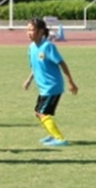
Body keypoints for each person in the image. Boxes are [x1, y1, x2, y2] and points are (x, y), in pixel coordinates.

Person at [23, 18, 78, 147]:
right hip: (44, 88)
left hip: (52, 86)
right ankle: (52, 134)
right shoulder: (31, 48)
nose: (29, 32)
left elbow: (61, 63)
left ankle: (59, 138)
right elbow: (35, 67)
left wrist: (70, 81)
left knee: (40, 113)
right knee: (40, 113)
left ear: (41, 31)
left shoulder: (48, 46)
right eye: (27, 30)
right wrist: (29, 80)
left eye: (32, 30)